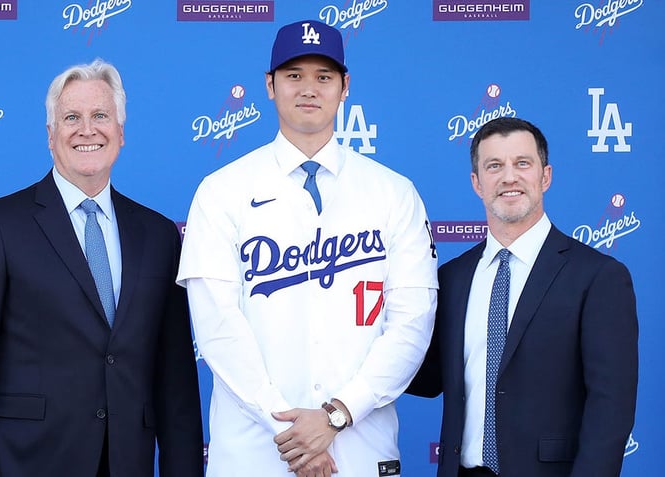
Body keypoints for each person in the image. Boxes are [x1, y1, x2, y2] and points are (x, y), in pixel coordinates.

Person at [176, 19, 438, 477]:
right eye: (294, 75)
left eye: (324, 76)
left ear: (345, 87)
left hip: (360, 448)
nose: (308, 89)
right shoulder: (221, 190)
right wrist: (293, 432)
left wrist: (337, 414)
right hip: (255, 452)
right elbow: (218, 328)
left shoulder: (394, 193)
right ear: (269, 85)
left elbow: (412, 324)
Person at [0, 59, 204, 477]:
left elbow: (175, 380)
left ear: (121, 132)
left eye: (100, 116)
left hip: (127, 463)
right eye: (71, 118)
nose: (87, 129)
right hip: (26, 462)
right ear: (50, 135)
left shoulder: (158, 235)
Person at [408, 117, 638, 477]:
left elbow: (611, 408)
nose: (509, 177)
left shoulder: (598, 277)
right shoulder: (452, 279)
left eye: (522, 163)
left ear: (545, 176)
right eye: (494, 166)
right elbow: (427, 377)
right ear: (477, 183)